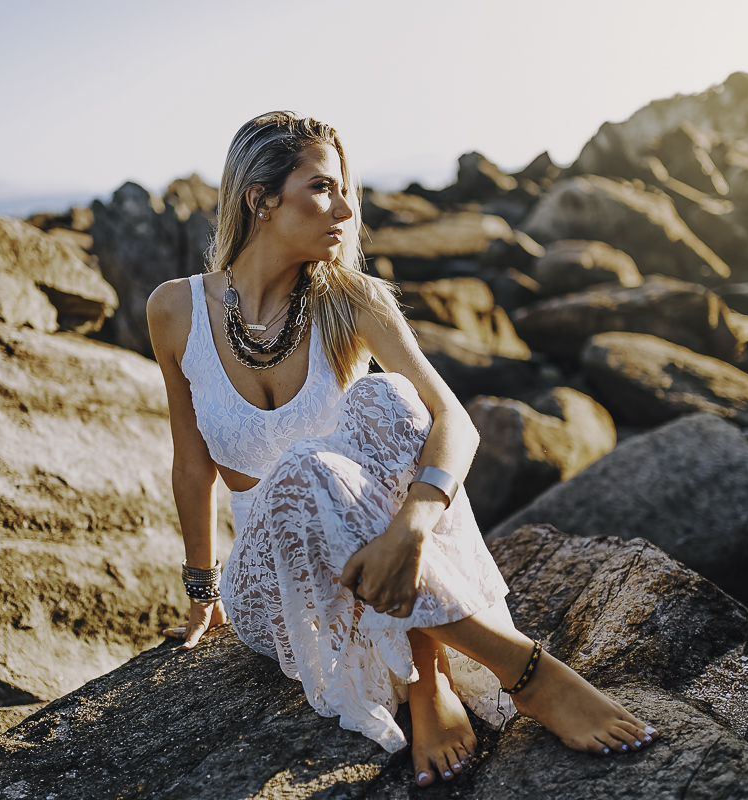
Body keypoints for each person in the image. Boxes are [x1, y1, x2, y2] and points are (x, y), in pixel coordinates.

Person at [147, 111, 657, 787]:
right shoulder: (175, 309)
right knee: (302, 467)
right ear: (260, 197)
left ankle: (426, 673)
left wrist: (415, 523)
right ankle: (523, 669)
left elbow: (455, 421)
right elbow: (190, 463)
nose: (348, 206)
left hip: (384, 563)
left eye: (347, 188)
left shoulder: (351, 300)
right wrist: (200, 591)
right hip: (276, 584)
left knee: (388, 400)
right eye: (323, 187)